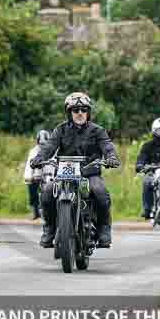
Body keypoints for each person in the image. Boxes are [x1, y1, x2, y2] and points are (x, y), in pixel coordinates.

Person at [29, 92, 121, 248]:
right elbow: (50, 146)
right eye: (75, 110)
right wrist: (39, 158)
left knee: (100, 192)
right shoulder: (60, 130)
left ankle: (104, 230)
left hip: (89, 172)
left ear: (88, 112)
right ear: (69, 112)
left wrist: (111, 157)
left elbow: (107, 145)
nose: (80, 113)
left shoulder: (97, 130)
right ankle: (49, 229)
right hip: (64, 173)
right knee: (47, 192)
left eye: (83, 109)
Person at [135, 117, 160, 220]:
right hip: (153, 172)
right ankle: (147, 209)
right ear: (153, 131)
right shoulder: (147, 146)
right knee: (147, 181)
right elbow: (142, 157)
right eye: (158, 130)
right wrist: (140, 165)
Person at [23, 129, 52, 220]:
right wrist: (28, 176)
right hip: (37, 175)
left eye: (44, 144)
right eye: (41, 144)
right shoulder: (33, 151)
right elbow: (29, 165)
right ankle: (35, 211)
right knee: (32, 189)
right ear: (37, 142)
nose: (42, 146)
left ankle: (52, 212)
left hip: (50, 175)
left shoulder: (54, 150)